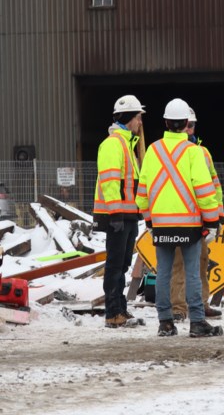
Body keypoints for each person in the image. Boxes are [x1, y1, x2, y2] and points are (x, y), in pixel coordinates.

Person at [136, 98, 223, 338]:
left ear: (165, 122)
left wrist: (149, 221)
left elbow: (142, 192)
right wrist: (212, 221)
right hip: (190, 225)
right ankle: (197, 322)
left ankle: (165, 322)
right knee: (193, 273)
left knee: (163, 272)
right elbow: (205, 192)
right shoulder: (194, 152)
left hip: (161, 224)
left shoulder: (153, 150)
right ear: (186, 123)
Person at [94, 95, 146, 328]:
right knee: (115, 264)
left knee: (122, 263)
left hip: (127, 215)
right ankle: (112, 313)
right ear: (127, 118)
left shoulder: (126, 144)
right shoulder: (114, 144)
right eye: (137, 117)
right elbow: (110, 182)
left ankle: (120, 308)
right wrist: (115, 213)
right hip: (118, 215)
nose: (139, 123)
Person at [169, 107, 224, 322]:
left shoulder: (202, 153)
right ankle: (178, 307)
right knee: (179, 263)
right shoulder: (170, 152)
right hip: (179, 218)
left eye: (192, 125)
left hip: (200, 219)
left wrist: (216, 215)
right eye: (187, 125)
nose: (190, 129)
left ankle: (201, 304)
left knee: (201, 261)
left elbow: (213, 186)